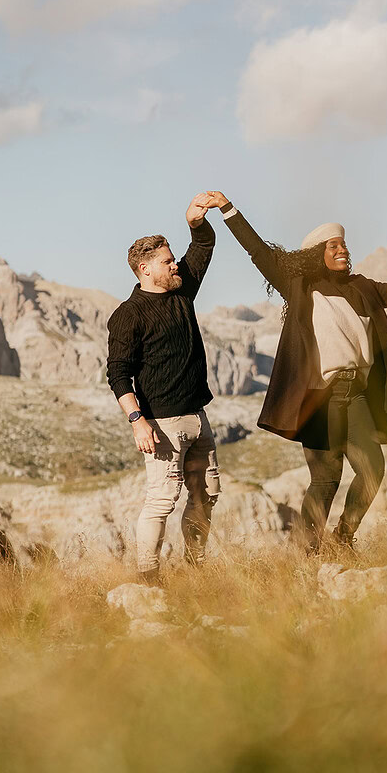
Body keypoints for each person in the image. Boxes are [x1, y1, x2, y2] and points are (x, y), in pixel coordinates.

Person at [201, 190, 387, 552]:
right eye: (334, 246)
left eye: (345, 246)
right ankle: (306, 554)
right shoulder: (299, 286)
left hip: (354, 394)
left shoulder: (363, 288)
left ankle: (343, 537)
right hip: (318, 397)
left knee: (372, 468)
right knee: (325, 479)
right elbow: (259, 251)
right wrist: (227, 209)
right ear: (317, 254)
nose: (343, 250)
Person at [106, 194, 220, 583]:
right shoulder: (128, 314)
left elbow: (203, 246)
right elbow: (118, 373)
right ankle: (147, 578)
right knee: (161, 501)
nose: (175, 265)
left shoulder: (181, 290)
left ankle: (195, 568)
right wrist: (138, 421)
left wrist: (195, 222)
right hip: (162, 425)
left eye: (173, 259)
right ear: (145, 269)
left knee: (207, 495)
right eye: (167, 261)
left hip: (198, 418)